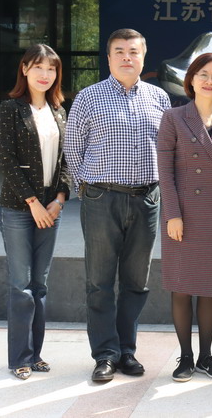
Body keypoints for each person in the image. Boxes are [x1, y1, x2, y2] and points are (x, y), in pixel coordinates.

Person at [64, 28, 171, 382]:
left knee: (137, 281)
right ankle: (105, 354)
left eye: (133, 51)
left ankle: (127, 350)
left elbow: (167, 149)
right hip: (102, 198)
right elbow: (72, 148)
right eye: (120, 51)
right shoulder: (89, 97)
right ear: (108, 58)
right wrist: (85, 189)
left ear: (143, 56)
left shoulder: (159, 98)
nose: (127, 57)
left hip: (147, 199)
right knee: (99, 281)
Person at [157, 53, 212, 382]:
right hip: (182, 215)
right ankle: (186, 357)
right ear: (191, 79)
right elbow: (165, 172)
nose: (209, 81)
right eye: (203, 74)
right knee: (181, 288)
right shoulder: (173, 117)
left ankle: (207, 356)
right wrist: (172, 215)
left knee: (209, 288)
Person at [0, 44, 69, 380]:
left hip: (51, 209)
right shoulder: (10, 109)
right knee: (20, 285)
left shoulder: (59, 111)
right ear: (24, 69)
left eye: (51, 69)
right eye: (38, 67)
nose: (45, 74)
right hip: (18, 209)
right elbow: (7, 160)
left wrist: (60, 198)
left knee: (40, 285)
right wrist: (33, 202)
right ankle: (19, 358)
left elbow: (67, 159)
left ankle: (35, 354)